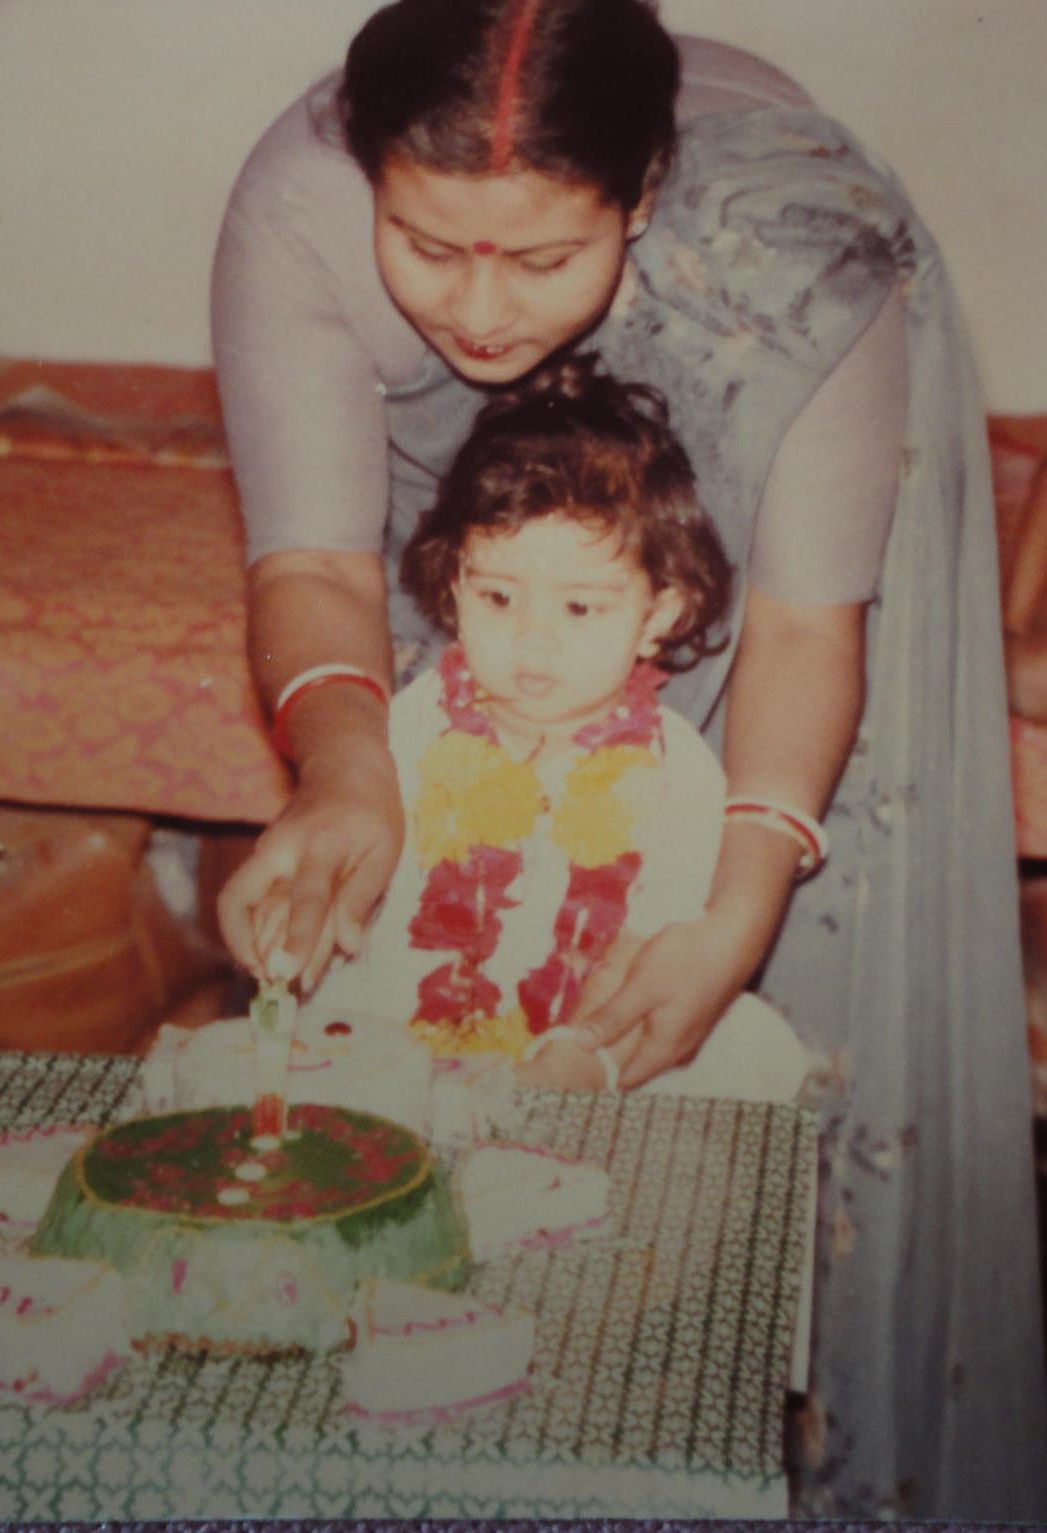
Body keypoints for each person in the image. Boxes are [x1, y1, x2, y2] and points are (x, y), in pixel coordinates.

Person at [210, 0, 1047, 1516]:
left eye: (539, 260)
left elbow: (797, 631)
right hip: (532, 586)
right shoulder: (299, 204)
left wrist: (734, 915)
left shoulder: (792, 251)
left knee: (741, 975)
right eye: (424, 244)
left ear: (643, 194)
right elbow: (318, 565)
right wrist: (346, 772)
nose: (473, 311)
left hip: (760, 458)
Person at [296, 353, 810, 1102]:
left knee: (739, 1047)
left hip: (584, 1045)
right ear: (453, 584)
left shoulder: (678, 770)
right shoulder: (410, 725)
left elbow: (649, 947)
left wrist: (577, 1054)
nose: (533, 641)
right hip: (404, 1028)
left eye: (578, 608)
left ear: (657, 614)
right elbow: (360, 897)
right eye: (500, 597)